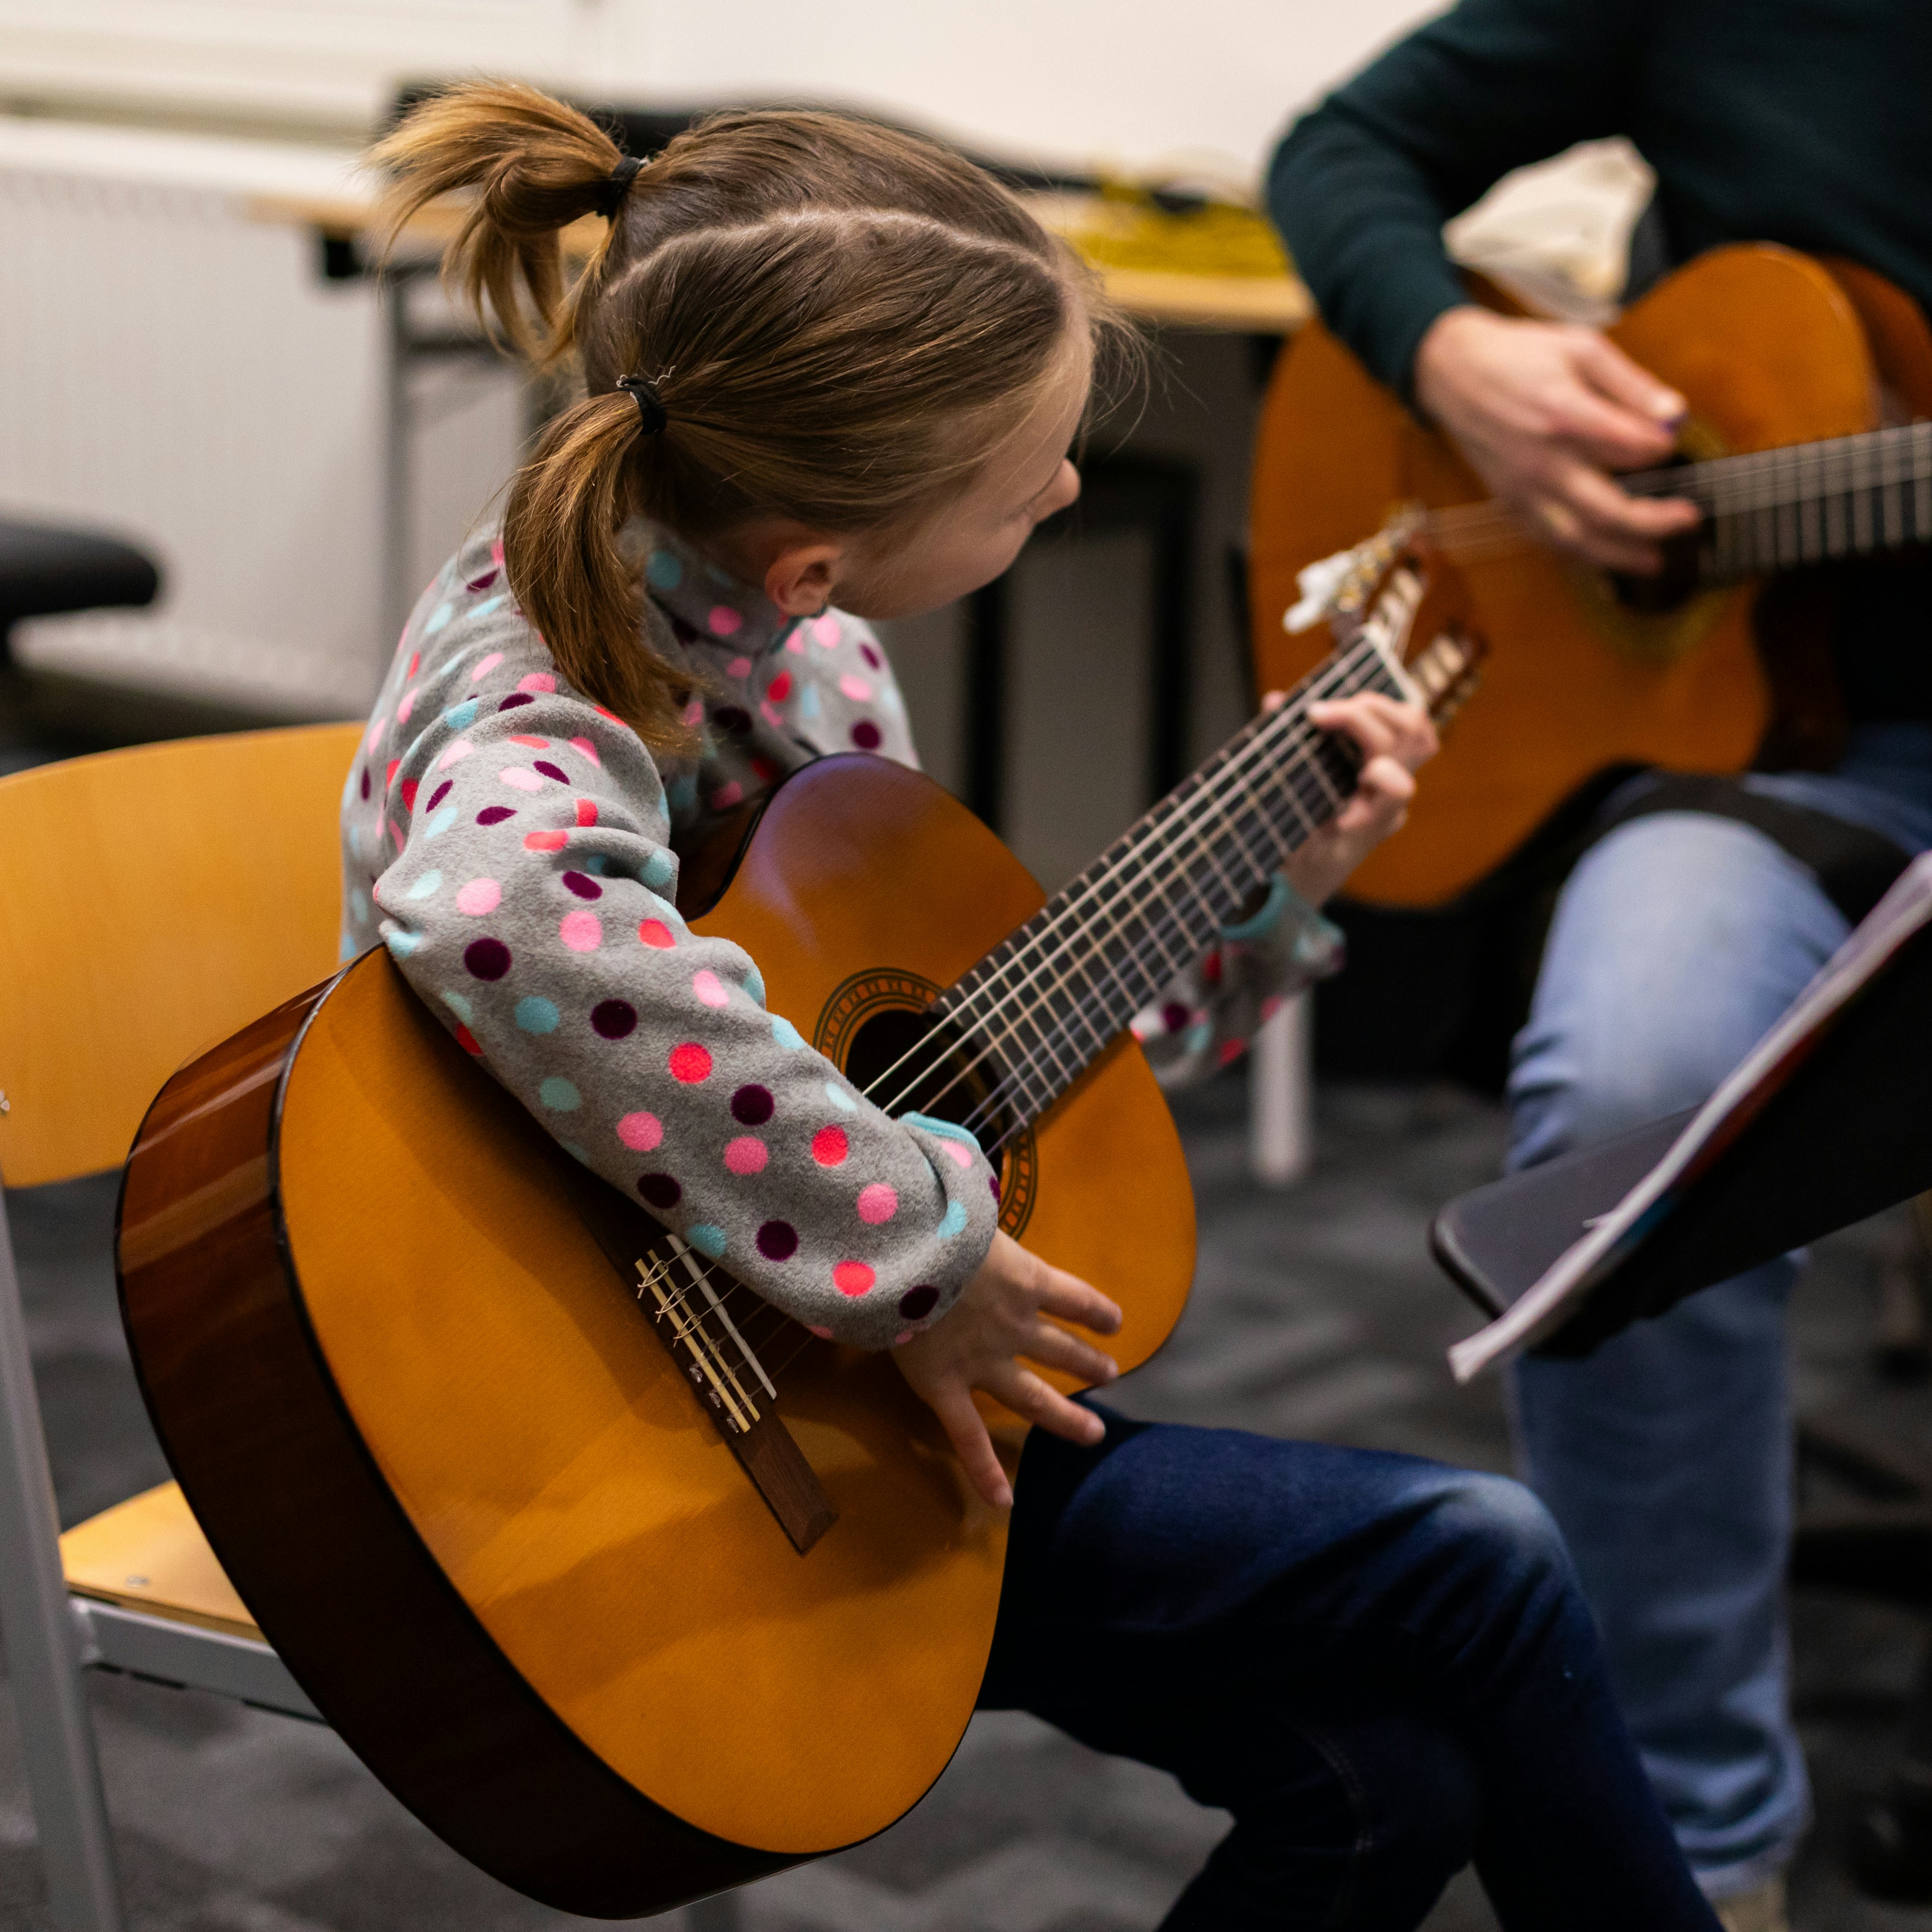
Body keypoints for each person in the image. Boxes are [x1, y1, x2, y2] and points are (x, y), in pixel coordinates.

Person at [342, 81, 1723, 1930]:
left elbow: (986, 1074)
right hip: (641, 1459)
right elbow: (498, 913)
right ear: (816, 564)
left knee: (1392, 1782)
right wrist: (909, 1245)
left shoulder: (789, 641)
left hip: (814, 1366)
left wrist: (1279, 890)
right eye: (1027, 487)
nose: (1068, 491)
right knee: (1489, 1556)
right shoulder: (559, 686)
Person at [1270, 6, 1932, 1927]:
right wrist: (1459, 355)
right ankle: (1691, 1848)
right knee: (1629, 1097)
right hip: (1796, 756)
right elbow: (1342, 154)